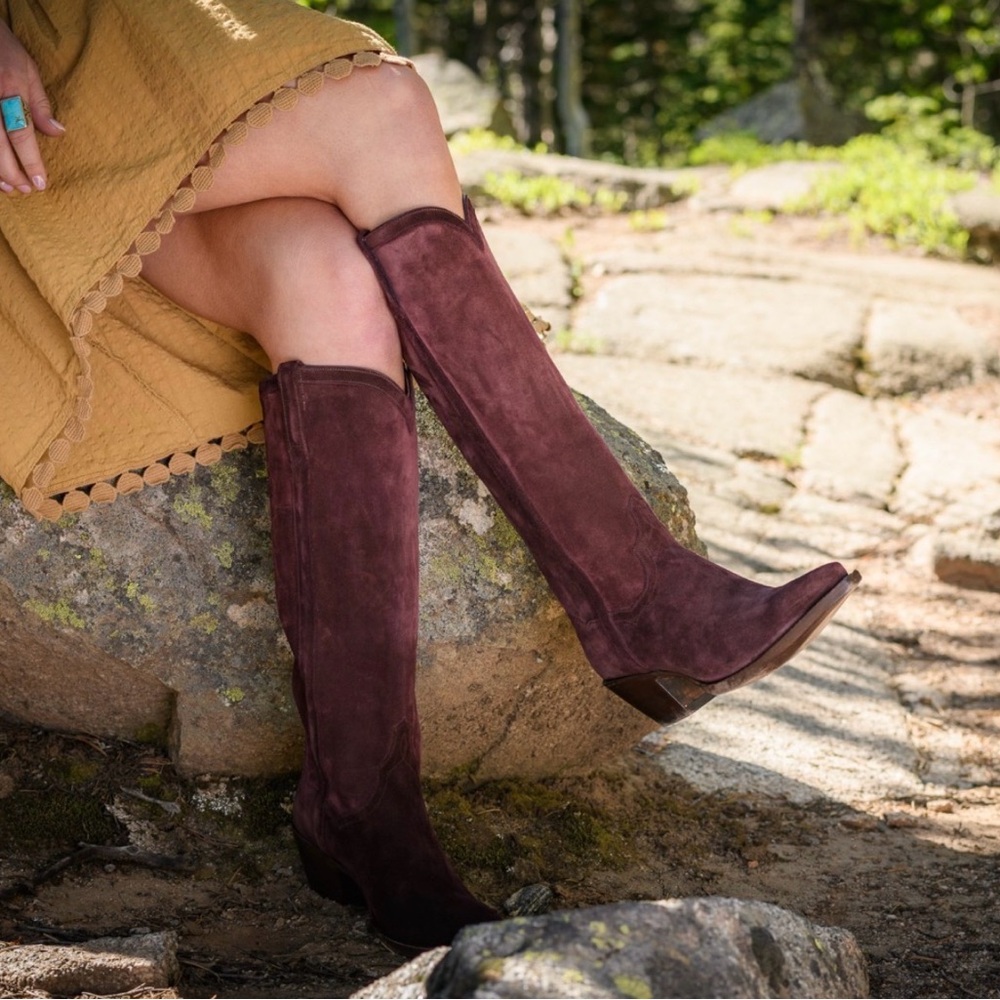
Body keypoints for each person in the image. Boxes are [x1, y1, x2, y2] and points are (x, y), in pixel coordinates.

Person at [0, 0, 859, 956]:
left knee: (326, 284)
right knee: (384, 109)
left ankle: (361, 807)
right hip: (45, 94)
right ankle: (641, 598)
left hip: (165, 61)